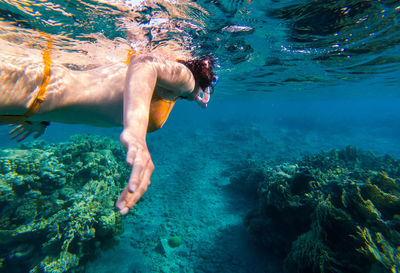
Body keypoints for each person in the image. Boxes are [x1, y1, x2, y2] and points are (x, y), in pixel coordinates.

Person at [0, 48, 217, 215]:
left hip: (29, 102)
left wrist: (41, 118)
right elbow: (145, 62)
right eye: (210, 86)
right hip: (29, 88)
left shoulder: (172, 93)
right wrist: (136, 133)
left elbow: (88, 84)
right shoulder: (187, 81)